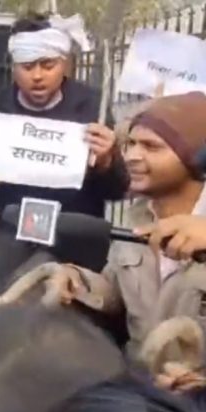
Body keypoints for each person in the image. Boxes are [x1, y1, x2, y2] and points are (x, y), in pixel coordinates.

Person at [46, 92, 206, 390]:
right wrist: (76, 280)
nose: (131, 156)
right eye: (130, 144)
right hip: (138, 397)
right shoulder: (134, 221)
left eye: (151, 147)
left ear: (194, 159)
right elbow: (115, 292)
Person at [0, 13, 128, 221]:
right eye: (27, 67)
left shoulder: (92, 107)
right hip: (13, 227)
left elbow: (117, 191)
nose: (37, 76)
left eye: (48, 66)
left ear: (64, 64)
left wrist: (106, 160)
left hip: (75, 228)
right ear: (13, 66)